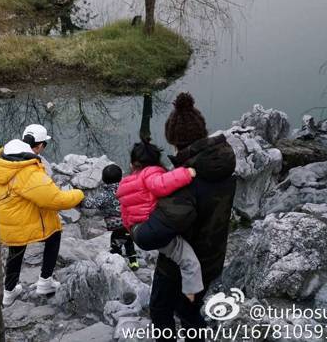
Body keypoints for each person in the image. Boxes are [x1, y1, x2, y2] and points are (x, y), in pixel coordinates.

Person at [139, 92, 237, 342]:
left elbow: (151, 236)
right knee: (189, 311)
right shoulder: (222, 164)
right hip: (212, 258)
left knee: (162, 310)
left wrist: (135, 227)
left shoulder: (186, 182)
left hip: (178, 268)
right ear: (202, 133)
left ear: (174, 140)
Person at [0, 124, 85, 306]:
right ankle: (45, 281)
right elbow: (54, 199)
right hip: (26, 219)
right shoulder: (28, 170)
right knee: (54, 234)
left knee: (15, 252)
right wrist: (79, 194)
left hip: (7, 220)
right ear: (40, 146)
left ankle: (9, 292)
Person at [116, 139, 203, 301]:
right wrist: (187, 173)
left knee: (174, 252)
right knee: (188, 260)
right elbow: (161, 185)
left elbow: (125, 212)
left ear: (132, 164)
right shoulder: (151, 173)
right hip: (152, 228)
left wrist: (131, 230)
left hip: (138, 232)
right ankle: (191, 295)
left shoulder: (125, 183)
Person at [81, 164, 139, 271]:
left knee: (115, 241)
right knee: (128, 240)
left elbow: (91, 204)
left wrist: (80, 199)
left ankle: (117, 256)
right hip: (130, 221)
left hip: (117, 225)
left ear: (103, 179)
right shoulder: (126, 189)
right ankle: (133, 261)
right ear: (121, 178)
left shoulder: (105, 195)